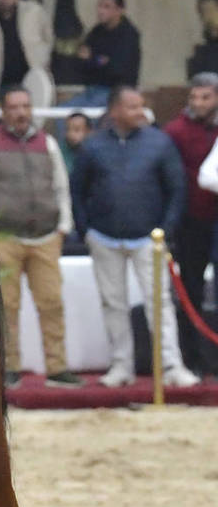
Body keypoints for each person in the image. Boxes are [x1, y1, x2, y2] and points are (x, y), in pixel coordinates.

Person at [73, 86, 201, 388]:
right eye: (133, 107)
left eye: (141, 106)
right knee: (113, 304)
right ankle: (121, 367)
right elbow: (77, 189)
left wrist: (165, 231)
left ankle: (172, 366)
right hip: (104, 238)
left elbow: (176, 190)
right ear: (114, 110)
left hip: (149, 239)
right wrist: (86, 230)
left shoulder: (160, 143)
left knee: (160, 303)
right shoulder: (92, 146)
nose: (140, 112)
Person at [0, 87, 79, 387]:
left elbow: (61, 188)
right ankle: (9, 368)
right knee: (6, 307)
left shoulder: (48, 143)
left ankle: (57, 368)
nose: (21, 112)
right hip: (2, 239)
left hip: (46, 238)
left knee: (52, 303)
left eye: (26, 106)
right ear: (2, 112)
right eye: (14, 107)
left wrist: (63, 225)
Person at [169, 74, 218, 376]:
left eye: (206, 97)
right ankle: (194, 358)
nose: (198, 103)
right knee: (191, 290)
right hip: (192, 222)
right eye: (194, 97)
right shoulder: (176, 131)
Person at [73, 0, 141, 105]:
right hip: (92, 90)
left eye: (107, 7)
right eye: (99, 6)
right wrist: (98, 60)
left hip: (116, 93)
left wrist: (93, 59)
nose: (101, 11)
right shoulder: (96, 32)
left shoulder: (128, 35)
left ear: (120, 10)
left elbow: (117, 69)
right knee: (63, 112)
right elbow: (82, 60)